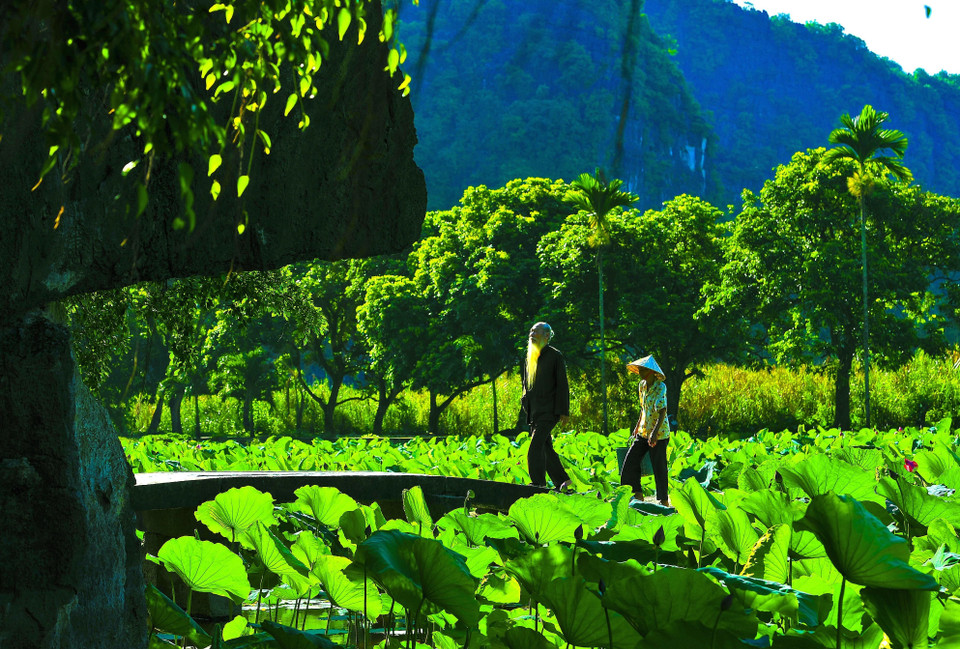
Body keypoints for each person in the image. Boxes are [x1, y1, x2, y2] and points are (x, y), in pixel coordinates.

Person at [521, 321, 572, 491]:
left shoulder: (555, 356)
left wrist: (564, 411)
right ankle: (563, 481)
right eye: (531, 332)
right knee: (545, 447)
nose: (532, 335)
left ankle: (538, 484)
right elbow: (525, 384)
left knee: (535, 448)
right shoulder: (530, 356)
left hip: (550, 411)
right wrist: (524, 401)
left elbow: (562, 384)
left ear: (546, 336)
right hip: (534, 411)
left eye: (535, 332)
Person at [620, 355, 670, 505]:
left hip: (659, 433)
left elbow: (662, 411)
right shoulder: (642, 385)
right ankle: (637, 494)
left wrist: (654, 433)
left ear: (650, 371)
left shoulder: (660, 387)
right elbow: (644, 409)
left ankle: (663, 500)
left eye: (642, 369)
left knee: (659, 466)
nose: (639, 372)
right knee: (630, 463)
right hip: (643, 431)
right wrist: (637, 427)